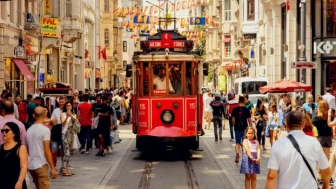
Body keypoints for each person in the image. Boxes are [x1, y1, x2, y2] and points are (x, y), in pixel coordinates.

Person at [266, 110, 330, 189]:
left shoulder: (278, 144)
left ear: (286, 124)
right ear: (303, 124)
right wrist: (325, 186)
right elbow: (326, 170)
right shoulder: (314, 143)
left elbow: (271, 176)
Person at [26, 107, 57, 188]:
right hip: (41, 163)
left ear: (33, 115)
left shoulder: (29, 130)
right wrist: (53, 168)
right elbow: (47, 150)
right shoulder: (45, 130)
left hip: (31, 164)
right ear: (45, 115)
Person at [0, 122, 28, 189]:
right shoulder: (1, 147)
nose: (4, 133)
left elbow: (24, 167)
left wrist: (20, 182)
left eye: (6, 131)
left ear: (14, 133)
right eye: (2, 131)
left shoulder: (20, 148)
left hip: (15, 182)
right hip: (2, 182)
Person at [232, 96, 253, 163]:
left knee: (237, 143)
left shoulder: (234, 109)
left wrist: (234, 126)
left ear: (238, 101)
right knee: (244, 143)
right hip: (245, 128)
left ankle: (237, 154)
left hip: (237, 128)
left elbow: (233, 120)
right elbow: (249, 120)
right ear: (244, 101)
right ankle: (244, 156)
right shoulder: (247, 109)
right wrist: (251, 127)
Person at [60, 101, 76, 176]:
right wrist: (66, 116)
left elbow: (73, 122)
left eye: (70, 106)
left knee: (69, 152)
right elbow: (63, 124)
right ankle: (64, 169)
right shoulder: (62, 114)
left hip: (71, 135)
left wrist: (71, 116)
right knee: (66, 152)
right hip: (64, 134)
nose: (68, 107)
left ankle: (67, 168)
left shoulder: (73, 114)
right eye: (67, 106)